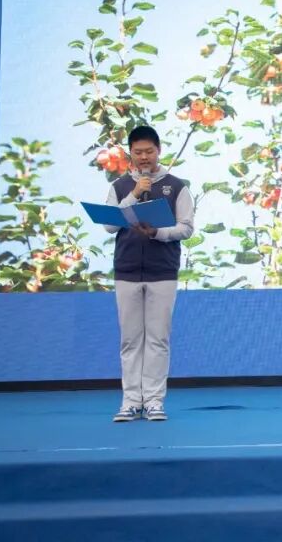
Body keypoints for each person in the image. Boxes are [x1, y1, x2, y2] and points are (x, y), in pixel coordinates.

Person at [104, 125, 195, 422]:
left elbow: (186, 228)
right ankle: (130, 402)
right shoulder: (120, 187)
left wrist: (158, 233)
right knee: (130, 340)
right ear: (130, 154)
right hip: (127, 271)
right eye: (138, 152)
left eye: (149, 151)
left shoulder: (176, 186)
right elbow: (109, 225)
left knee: (157, 340)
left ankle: (154, 401)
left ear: (159, 151)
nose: (144, 157)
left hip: (162, 272)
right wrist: (134, 194)